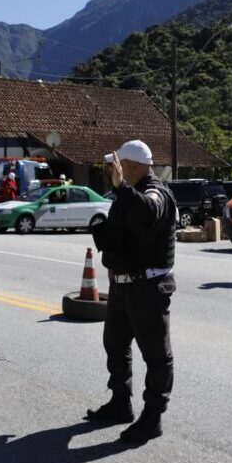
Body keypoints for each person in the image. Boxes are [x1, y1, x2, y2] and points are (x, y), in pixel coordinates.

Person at [87, 140, 177, 444]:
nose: (113, 170)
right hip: (122, 285)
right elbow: (121, 234)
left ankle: (152, 417)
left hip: (147, 287)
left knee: (155, 355)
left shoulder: (156, 191)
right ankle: (120, 403)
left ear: (134, 166)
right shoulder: (127, 194)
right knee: (115, 344)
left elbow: (149, 211)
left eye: (118, 165)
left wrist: (123, 188)